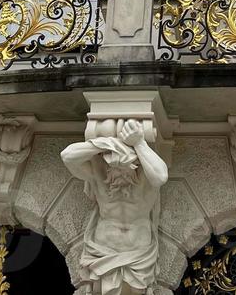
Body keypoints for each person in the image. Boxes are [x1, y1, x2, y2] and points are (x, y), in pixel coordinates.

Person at [60, 120, 169, 295]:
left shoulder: (146, 179)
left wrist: (139, 143)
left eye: (125, 165)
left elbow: (161, 176)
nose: (118, 170)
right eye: (113, 166)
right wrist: (107, 143)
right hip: (103, 253)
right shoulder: (98, 174)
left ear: (136, 165)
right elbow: (67, 156)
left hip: (138, 255)